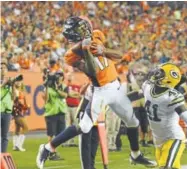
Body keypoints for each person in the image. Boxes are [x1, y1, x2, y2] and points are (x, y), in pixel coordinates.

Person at [36, 16, 156, 169]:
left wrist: (103, 51)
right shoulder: (71, 55)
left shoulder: (97, 36)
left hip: (115, 87)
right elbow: (92, 71)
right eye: (80, 29)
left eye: (84, 27)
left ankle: (135, 155)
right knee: (85, 126)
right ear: (73, 34)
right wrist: (86, 52)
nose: (86, 31)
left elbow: (119, 56)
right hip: (100, 90)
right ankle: (47, 148)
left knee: (133, 122)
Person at [141, 63, 187, 169]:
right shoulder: (148, 87)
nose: (156, 73)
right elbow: (138, 94)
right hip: (158, 141)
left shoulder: (171, 97)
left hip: (174, 138)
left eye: (161, 72)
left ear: (168, 80)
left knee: (165, 167)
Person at [42, 70, 68, 160]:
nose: (58, 77)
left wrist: (57, 89)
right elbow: (45, 98)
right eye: (57, 75)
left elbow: (65, 95)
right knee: (51, 134)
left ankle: (52, 151)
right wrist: (46, 86)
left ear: (63, 77)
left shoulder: (64, 87)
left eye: (60, 75)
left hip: (61, 112)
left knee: (59, 135)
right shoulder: (48, 87)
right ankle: (50, 153)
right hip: (51, 113)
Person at [0, 59, 17, 152]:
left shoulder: (8, 82)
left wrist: (13, 85)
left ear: (7, 70)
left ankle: (2, 155)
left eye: (4, 68)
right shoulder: (4, 82)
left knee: (5, 136)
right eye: (0, 68)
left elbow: (14, 97)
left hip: (7, 112)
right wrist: (3, 84)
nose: (2, 70)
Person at [63, 75, 81, 147]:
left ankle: (72, 141)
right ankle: (67, 141)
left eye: (71, 76)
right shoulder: (66, 86)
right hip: (67, 106)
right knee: (67, 124)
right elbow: (68, 94)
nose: (70, 78)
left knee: (75, 124)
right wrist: (73, 94)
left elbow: (79, 95)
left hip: (75, 107)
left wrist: (71, 95)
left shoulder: (77, 87)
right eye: (69, 77)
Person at [12, 80, 29, 152]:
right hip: (18, 112)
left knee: (18, 128)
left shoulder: (20, 91)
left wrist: (25, 106)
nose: (18, 82)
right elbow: (18, 102)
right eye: (17, 81)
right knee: (25, 128)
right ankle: (19, 145)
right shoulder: (16, 91)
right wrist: (25, 106)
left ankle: (15, 146)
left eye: (20, 81)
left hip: (18, 111)